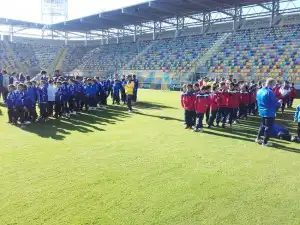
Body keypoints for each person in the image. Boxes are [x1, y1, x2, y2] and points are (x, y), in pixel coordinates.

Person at [256, 78, 282, 147]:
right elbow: (275, 103)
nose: (274, 86)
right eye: (274, 84)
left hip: (262, 111)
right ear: (271, 84)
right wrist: (279, 103)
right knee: (268, 127)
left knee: (262, 125)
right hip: (269, 112)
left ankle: (258, 138)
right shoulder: (269, 92)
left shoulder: (259, 91)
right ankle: (265, 142)